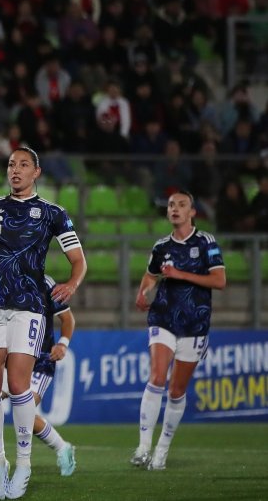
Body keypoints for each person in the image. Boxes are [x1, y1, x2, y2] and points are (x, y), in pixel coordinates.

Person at [0, 147, 86, 500]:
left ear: (37, 172)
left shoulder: (53, 214)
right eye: (11, 164)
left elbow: (78, 261)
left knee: (18, 386)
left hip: (28, 307)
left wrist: (72, 284)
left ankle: (24, 465)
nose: (15, 170)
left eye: (23, 165)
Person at [132, 190, 226, 470]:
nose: (174, 209)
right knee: (158, 376)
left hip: (195, 324)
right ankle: (143, 447)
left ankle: (162, 450)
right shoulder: (161, 246)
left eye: (181, 205)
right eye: (171, 205)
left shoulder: (206, 242)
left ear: (192, 212)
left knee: (176, 391)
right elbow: (150, 274)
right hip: (163, 317)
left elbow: (219, 280)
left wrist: (179, 275)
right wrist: (143, 292)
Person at [0, 275, 77, 478]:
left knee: (25, 413)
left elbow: (67, 319)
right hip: (8, 360)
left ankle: (63, 448)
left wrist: (63, 343)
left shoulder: (44, 283)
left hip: (39, 362)